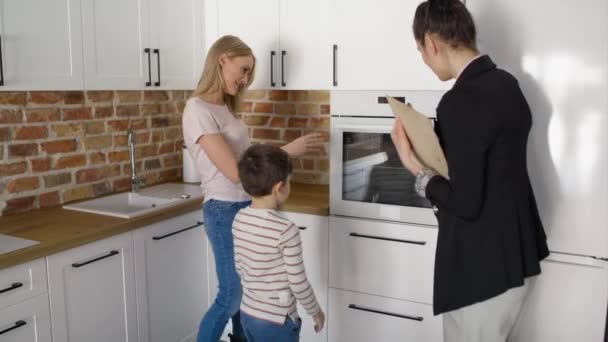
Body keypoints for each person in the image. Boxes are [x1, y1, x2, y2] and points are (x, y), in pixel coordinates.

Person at [390, 1, 550, 341]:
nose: (424, 58)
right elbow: (490, 168)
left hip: (482, 269)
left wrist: (414, 165)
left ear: (432, 43)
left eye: (420, 50)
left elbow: (465, 202)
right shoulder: (507, 84)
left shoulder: (460, 101)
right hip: (517, 258)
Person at [182, 35, 325, 342]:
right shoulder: (197, 109)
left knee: (247, 299)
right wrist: (288, 151)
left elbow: (247, 162)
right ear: (223, 60)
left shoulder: (222, 108)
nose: (246, 79)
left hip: (244, 207)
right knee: (231, 296)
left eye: (249, 74)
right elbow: (236, 172)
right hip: (222, 210)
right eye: (244, 70)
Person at [232, 144, 325, 342]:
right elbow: (298, 283)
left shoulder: (239, 219)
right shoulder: (285, 230)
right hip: (277, 321)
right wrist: (315, 311)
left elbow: (240, 268)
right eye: (289, 182)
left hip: (247, 314)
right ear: (279, 188)